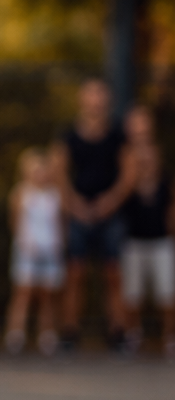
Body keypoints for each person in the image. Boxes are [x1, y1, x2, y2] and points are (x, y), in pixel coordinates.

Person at [52, 78, 128, 349]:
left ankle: (118, 333)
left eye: (101, 96)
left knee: (113, 274)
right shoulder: (69, 134)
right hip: (79, 212)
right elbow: (59, 171)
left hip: (110, 214)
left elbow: (128, 173)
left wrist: (111, 201)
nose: (96, 101)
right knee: (75, 273)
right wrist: (74, 204)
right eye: (91, 95)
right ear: (82, 100)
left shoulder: (118, 134)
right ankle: (70, 332)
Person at [115, 107, 175, 356]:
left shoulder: (165, 183)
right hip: (133, 242)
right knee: (132, 294)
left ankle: (169, 337)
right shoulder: (127, 185)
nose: (145, 162)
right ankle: (133, 335)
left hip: (161, 241)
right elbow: (118, 201)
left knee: (167, 293)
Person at [5, 147, 63, 355]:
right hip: (27, 250)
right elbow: (15, 222)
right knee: (23, 293)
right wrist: (26, 243)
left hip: (49, 250)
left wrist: (56, 245)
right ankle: (15, 335)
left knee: (47, 295)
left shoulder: (54, 194)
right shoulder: (21, 193)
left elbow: (58, 224)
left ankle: (47, 335)